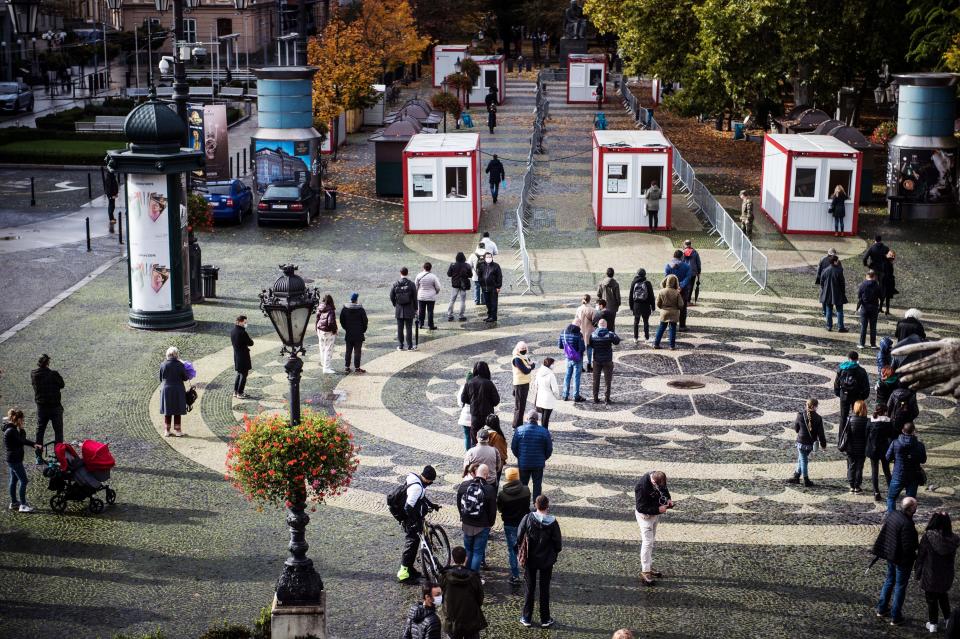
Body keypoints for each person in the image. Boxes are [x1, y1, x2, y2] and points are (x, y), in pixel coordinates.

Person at [518, 494, 562, 628]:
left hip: (530, 559)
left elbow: (519, 536)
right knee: (544, 589)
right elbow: (558, 544)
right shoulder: (553, 523)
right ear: (547, 506)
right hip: (546, 561)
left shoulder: (527, 518)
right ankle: (545, 618)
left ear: (535, 505)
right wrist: (553, 554)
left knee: (529, 588)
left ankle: (526, 617)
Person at [873, 496, 919, 626]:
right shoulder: (907, 524)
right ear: (911, 509)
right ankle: (896, 616)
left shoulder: (893, 515)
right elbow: (909, 547)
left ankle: (881, 609)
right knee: (900, 587)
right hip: (902, 561)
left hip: (891, 556)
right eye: (915, 506)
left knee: (889, 580)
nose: (917, 508)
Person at [915, 512, 960, 633]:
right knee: (943, 595)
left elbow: (921, 556)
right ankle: (948, 620)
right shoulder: (954, 539)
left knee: (931, 599)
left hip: (930, 574)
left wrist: (917, 572)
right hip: (946, 575)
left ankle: (933, 624)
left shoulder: (928, 537)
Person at [397, 465, 438, 582]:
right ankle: (403, 575)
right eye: (431, 481)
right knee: (410, 545)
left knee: (414, 544)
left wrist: (432, 505)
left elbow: (422, 498)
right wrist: (415, 521)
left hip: (413, 519)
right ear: (428, 479)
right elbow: (408, 507)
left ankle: (410, 569)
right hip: (411, 521)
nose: (431, 483)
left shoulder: (416, 481)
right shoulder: (417, 488)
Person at [634, 470, 673, 586]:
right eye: (658, 485)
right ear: (653, 481)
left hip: (654, 515)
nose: (660, 487)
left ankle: (648, 567)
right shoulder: (641, 487)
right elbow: (640, 507)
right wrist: (658, 510)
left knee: (651, 542)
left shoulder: (659, 479)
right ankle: (645, 571)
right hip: (645, 517)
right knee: (647, 542)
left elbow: (664, 490)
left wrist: (668, 499)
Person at [440, 546, 487, 639]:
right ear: (466, 558)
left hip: (452, 621)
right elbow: (480, 597)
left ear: (453, 559)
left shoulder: (444, 576)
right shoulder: (474, 576)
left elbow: (441, 596)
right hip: (471, 620)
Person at [457, 463, 497, 572]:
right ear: (487, 475)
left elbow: (459, 504)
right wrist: (490, 523)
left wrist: (463, 517)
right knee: (478, 552)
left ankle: (466, 574)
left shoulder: (464, 485)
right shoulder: (489, 489)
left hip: (467, 524)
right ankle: (473, 577)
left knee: (468, 550)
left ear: (475, 473)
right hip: (482, 525)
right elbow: (492, 511)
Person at [497, 466, 531, 586]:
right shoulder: (526, 491)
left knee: (512, 550)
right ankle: (528, 572)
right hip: (524, 524)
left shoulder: (502, 495)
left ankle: (515, 575)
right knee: (525, 548)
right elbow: (527, 506)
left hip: (509, 524)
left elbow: (500, 508)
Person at [4, 408, 42, 512]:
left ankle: (14, 503)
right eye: (22, 419)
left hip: (12, 459)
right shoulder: (12, 431)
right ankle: (23, 505)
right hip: (15, 460)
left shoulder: (11, 429)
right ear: (18, 419)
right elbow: (22, 441)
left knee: (14, 480)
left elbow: (21, 441)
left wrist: (34, 444)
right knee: (24, 481)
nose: (23, 421)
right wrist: (22, 429)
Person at [886, 421, 927, 513]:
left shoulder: (895, 443)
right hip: (913, 476)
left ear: (902, 431)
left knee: (891, 498)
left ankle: (891, 517)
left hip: (898, 475)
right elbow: (923, 460)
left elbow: (887, 457)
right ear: (913, 431)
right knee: (910, 501)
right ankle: (907, 518)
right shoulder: (919, 445)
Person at [512, 409, 553, 500]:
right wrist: (543, 458)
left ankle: (523, 504)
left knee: (523, 485)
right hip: (538, 464)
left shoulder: (519, 430)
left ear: (527, 418)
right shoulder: (544, 431)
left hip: (524, 463)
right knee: (537, 485)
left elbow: (514, 447)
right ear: (537, 419)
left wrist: (520, 457)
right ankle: (536, 504)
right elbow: (549, 449)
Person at [31, 354, 64, 463]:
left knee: (40, 431)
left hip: (42, 408)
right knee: (58, 432)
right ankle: (59, 455)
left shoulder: (34, 374)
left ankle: (38, 456)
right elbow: (62, 384)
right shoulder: (53, 374)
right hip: (55, 407)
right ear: (48, 363)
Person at [787, 398, 827, 487]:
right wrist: (823, 445)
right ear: (815, 407)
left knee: (803, 460)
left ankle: (804, 479)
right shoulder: (818, 418)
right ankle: (798, 477)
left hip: (801, 442)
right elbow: (821, 434)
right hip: (810, 444)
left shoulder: (800, 415)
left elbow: (796, 429)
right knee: (802, 459)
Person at [834, 351, 871, 444]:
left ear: (848, 358)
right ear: (857, 359)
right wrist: (862, 397)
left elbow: (836, 383)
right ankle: (856, 436)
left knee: (843, 417)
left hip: (844, 396)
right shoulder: (861, 371)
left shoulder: (841, 369)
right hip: (856, 397)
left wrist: (839, 393)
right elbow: (866, 386)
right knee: (858, 416)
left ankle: (841, 439)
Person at [461, 361, 500, 446]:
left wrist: (472, 402)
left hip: (475, 415)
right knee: (488, 438)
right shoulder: (489, 383)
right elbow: (496, 400)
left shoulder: (469, 382)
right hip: (487, 416)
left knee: (474, 440)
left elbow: (463, 398)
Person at [866, 404, 895, 502]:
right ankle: (891, 491)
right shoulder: (888, 422)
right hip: (884, 449)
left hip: (873, 449)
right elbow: (892, 435)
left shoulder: (870, 421)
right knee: (887, 470)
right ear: (885, 411)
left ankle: (876, 492)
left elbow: (866, 434)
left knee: (875, 471)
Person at [159, 347, 189, 438]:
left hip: (166, 389)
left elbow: (161, 378)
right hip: (178, 389)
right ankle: (178, 431)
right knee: (177, 409)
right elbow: (185, 378)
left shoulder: (163, 364)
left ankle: (167, 431)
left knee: (167, 410)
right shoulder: (180, 365)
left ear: (167, 355)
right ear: (176, 355)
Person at [591, 319, 621, 404]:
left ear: (598, 325)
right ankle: (607, 398)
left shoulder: (592, 335)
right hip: (607, 360)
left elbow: (591, 345)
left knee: (596, 380)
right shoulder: (610, 334)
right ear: (606, 325)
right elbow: (617, 341)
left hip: (596, 360)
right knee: (608, 380)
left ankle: (595, 398)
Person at [339, 292, 368, 374]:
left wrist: (346, 328)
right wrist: (363, 330)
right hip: (358, 334)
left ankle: (347, 367)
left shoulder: (345, 309)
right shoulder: (360, 309)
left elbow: (342, 320)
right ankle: (357, 368)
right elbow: (365, 321)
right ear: (356, 299)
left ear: (350, 299)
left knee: (348, 351)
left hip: (349, 333)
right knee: (357, 352)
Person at [653, 274, 684, 350]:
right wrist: (677, 308)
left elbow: (658, 303)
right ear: (675, 282)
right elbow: (681, 304)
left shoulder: (661, 291)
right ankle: (672, 346)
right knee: (673, 329)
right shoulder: (677, 293)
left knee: (661, 328)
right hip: (674, 313)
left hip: (664, 312)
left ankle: (656, 344)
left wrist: (663, 308)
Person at [819, 255, 849, 333]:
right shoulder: (839, 271)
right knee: (839, 311)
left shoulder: (825, 270)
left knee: (828, 310)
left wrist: (824, 289)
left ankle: (829, 326)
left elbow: (821, 282)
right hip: (838, 293)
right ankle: (840, 327)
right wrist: (843, 292)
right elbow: (842, 283)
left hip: (827, 293)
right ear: (835, 261)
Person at [558, 322, 586, 402]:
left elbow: (560, 346)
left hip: (568, 358)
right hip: (577, 359)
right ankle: (576, 396)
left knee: (567, 376)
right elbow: (582, 348)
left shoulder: (563, 332)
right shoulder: (579, 334)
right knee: (576, 377)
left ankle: (565, 395)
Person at [844, 400, 868, 493]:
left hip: (851, 447)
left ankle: (851, 485)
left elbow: (846, 433)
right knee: (859, 467)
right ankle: (857, 486)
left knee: (851, 466)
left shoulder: (850, 419)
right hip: (862, 448)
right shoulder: (867, 421)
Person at [391, 267, 417, 351]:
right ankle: (410, 346)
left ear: (400, 273)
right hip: (409, 309)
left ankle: (401, 345)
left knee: (400, 328)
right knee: (409, 328)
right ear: (407, 273)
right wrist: (416, 308)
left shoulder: (396, 284)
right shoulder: (411, 284)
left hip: (399, 309)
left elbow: (391, 296)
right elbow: (415, 297)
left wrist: (395, 304)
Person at [511, 341, 536, 428]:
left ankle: (519, 424)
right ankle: (516, 425)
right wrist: (530, 367)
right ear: (518, 349)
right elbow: (525, 370)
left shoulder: (524, 357)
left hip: (525, 383)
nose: (524, 350)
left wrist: (530, 367)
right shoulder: (517, 359)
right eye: (522, 349)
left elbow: (533, 365)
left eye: (525, 349)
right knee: (519, 407)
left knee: (522, 405)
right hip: (519, 384)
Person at [857, 270, 883, 349]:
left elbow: (859, 296)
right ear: (874, 276)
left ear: (867, 276)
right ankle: (873, 344)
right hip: (874, 308)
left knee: (863, 327)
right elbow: (881, 297)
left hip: (864, 308)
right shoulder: (877, 286)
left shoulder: (862, 285)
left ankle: (862, 344)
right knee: (873, 327)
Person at [628, 268, 655, 343]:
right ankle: (647, 337)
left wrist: (631, 306)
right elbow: (651, 296)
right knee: (646, 322)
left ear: (637, 274)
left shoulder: (633, 282)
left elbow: (630, 295)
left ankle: (635, 337)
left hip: (636, 305)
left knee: (636, 322)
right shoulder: (647, 283)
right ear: (644, 275)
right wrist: (653, 306)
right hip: (646, 306)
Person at [230, 315, 254, 398]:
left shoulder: (233, 331)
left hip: (236, 355)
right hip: (243, 356)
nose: (245, 324)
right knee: (244, 374)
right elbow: (251, 343)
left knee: (239, 373)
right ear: (240, 322)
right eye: (245, 322)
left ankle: (235, 391)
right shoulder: (242, 332)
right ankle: (240, 393)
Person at [314, 294, 338, 374]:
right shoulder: (330, 310)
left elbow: (317, 319)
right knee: (328, 349)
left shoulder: (320, 307)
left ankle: (324, 364)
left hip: (320, 330)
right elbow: (331, 322)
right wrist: (334, 330)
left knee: (322, 348)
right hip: (328, 332)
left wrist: (316, 329)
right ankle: (326, 368)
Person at [446, 253, 472, 323]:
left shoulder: (453, 265)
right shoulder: (467, 265)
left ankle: (450, 315)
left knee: (452, 300)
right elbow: (470, 275)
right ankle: (461, 315)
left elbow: (448, 274)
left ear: (456, 258)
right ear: (464, 258)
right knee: (463, 301)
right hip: (463, 285)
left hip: (455, 285)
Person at [476, 252, 502, 323]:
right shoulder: (482, 266)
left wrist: (498, 286)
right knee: (487, 302)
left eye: (490, 257)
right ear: (484, 258)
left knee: (493, 303)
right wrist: (481, 284)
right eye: (487, 257)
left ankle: (493, 317)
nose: (488, 258)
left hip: (493, 288)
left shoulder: (496, 266)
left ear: (492, 257)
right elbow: (479, 276)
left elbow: (499, 277)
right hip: (485, 288)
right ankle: (489, 315)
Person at [415, 262, 441, 331]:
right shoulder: (433, 276)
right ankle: (430, 325)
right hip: (431, 297)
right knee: (430, 311)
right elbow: (438, 287)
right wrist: (435, 292)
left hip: (421, 296)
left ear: (423, 267)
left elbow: (416, 286)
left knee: (421, 311)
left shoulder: (419, 275)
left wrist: (416, 294)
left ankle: (421, 324)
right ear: (430, 268)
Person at [534, 358, 559, 427]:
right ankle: (544, 433)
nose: (554, 365)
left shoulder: (539, 372)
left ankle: (543, 431)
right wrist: (557, 396)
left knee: (543, 417)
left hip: (540, 398)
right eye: (553, 364)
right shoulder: (551, 375)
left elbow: (536, 384)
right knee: (546, 418)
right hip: (548, 399)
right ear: (550, 364)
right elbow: (555, 390)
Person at [681, 239, 701, 324]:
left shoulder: (683, 253)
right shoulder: (695, 252)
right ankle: (688, 300)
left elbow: (681, 261)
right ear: (690, 244)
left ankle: (683, 299)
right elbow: (698, 263)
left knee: (685, 286)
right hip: (693, 272)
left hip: (685, 272)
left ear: (685, 244)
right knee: (691, 286)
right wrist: (699, 272)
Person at [575, 294, 596, 372]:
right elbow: (594, 322)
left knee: (580, 349)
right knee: (589, 349)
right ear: (590, 300)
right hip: (590, 332)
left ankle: (580, 366)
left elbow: (576, 320)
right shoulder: (592, 310)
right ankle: (589, 365)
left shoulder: (578, 309)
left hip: (580, 332)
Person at [596, 267, 621, 332]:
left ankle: (603, 336)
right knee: (612, 323)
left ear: (606, 274)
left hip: (603, 306)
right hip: (613, 307)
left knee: (603, 322)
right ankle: (612, 336)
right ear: (613, 274)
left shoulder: (601, 283)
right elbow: (617, 297)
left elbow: (598, 294)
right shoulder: (616, 284)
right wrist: (618, 304)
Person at [484, 415, 508, 480]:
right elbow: (502, 453)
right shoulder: (498, 437)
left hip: (483, 465)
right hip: (495, 465)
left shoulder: (481, 433)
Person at [457, 372, 473, 451]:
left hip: (465, 414)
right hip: (475, 415)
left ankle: (468, 453)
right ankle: (474, 453)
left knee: (467, 436)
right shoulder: (476, 386)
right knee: (474, 436)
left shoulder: (463, 387)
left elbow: (460, 401)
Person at [101, 164, 119, 233]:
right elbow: (110, 187)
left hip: (112, 194)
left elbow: (114, 185)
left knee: (112, 205)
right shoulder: (109, 178)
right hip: (111, 194)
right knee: (111, 206)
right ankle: (111, 218)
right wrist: (112, 195)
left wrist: (115, 193)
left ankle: (112, 218)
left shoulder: (111, 177)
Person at [881, 250, 898, 315]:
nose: (892, 257)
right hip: (886, 281)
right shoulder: (886, 262)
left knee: (885, 296)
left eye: (893, 256)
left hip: (887, 281)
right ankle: (883, 309)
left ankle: (885, 309)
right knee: (884, 296)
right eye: (891, 255)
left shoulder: (888, 262)